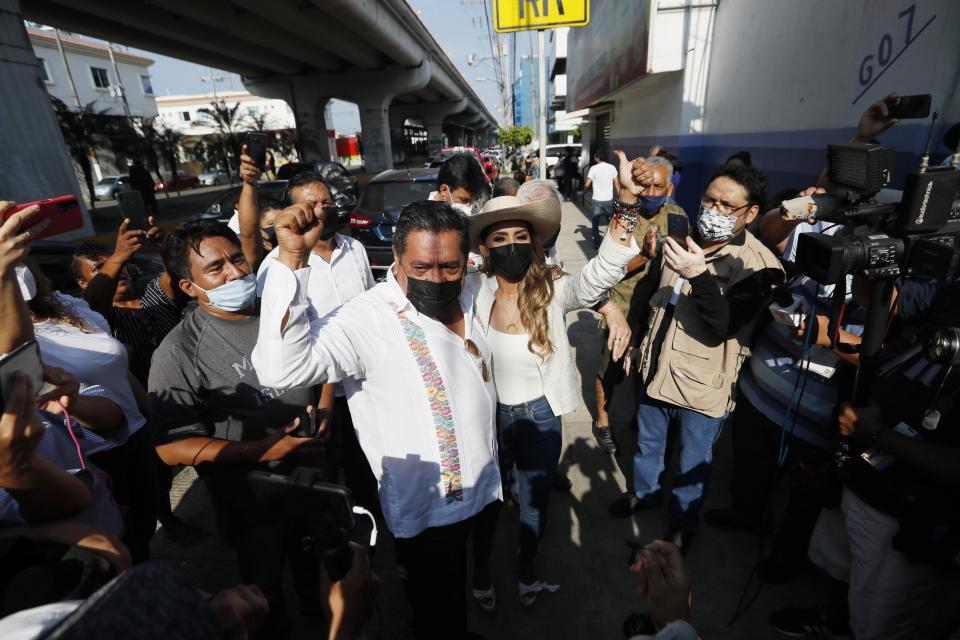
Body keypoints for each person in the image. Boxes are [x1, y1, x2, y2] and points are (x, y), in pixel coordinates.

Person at [252, 200, 499, 639]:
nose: (437, 279)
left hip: (482, 485)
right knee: (431, 596)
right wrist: (292, 261)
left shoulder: (472, 290)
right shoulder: (365, 320)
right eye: (422, 267)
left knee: (454, 587)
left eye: (450, 267)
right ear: (397, 260)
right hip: (427, 506)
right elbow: (280, 369)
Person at [465, 187, 647, 608]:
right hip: (487, 416)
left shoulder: (553, 287)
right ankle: (480, 570)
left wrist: (625, 210)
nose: (511, 246)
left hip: (541, 417)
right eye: (500, 239)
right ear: (485, 247)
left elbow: (597, 277)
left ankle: (527, 568)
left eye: (520, 237)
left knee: (534, 502)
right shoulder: (472, 289)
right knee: (487, 503)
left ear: (534, 242)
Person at [149, 220, 327, 636]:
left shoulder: (279, 308)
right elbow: (171, 449)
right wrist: (265, 450)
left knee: (320, 571)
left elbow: (327, 355)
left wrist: (326, 407)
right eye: (216, 268)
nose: (235, 273)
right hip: (252, 499)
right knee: (265, 593)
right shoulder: (177, 352)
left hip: (316, 479)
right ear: (190, 288)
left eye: (237, 259)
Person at [609, 161, 784, 554]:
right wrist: (638, 341)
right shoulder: (686, 237)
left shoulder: (760, 265)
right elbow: (656, 298)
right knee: (648, 445)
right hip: (656, 370)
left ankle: (683, 524)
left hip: (703, 390)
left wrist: (698, 275)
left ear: (751, 213)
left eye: (727, 205)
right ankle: (644, 493)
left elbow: (724, 325)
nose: (714, 210)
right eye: (709, 199)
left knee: (693, 461)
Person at [771, 279, 960, 640]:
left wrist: (878, 435)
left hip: (909, 511)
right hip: (861, 473)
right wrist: (873, 245)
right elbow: (877, 298)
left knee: (878, 622)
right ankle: (833, 619)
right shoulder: (953, 290)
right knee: (843, 569)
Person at [247, 161, 377, 511]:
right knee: (327, 467)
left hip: (366, 382)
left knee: (369, 462)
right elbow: (282, 336)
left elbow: (369, 310)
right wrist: (324, 398)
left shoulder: (355, 249)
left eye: (326, 202)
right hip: (319, 394)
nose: (321, 211)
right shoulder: (277, 266)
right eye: (311, 205)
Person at [20, 247, 156, 563]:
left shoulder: (67, 307)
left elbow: (116, 364)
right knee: (121, 545)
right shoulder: (15, 340)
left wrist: (150, 415)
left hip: (135, 433)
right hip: (92, 455)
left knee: (145, 530)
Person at [592, 155, 686, 455]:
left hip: (657, 309)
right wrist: (644, 257)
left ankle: (637, 415)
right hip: (622, 306)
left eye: (658, 187)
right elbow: (608, 268)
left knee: (644, 367)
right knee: (611, 369)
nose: (650, 193)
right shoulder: (626, 217)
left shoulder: (676, 216)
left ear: (669, 187)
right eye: (646, 186)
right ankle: (603, 421)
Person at [584, 150, 619, 249]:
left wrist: (584, 191)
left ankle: (596, 243)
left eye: (595, 157)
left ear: (598, 158)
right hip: (609, 199)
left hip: (597, 200)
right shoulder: (612, 168)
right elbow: (617, 184)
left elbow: (587, 184)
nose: (594, 159)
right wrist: (620, 196)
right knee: (610, 221)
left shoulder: (593, 168)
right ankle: (610, 243)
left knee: (595, 222)